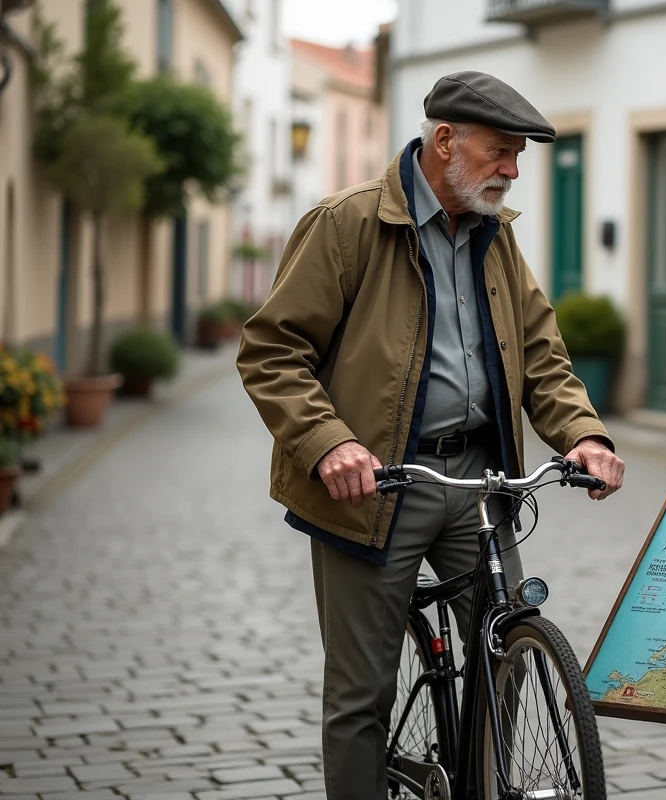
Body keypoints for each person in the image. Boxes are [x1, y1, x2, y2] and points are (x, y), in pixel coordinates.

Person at [236, 70, 625, 800]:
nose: (512, 171)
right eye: (500, 153)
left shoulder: (496, 237)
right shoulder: (347, 224)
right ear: (444, 140)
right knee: (361, 698)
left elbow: (540, 354)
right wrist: (329, 444)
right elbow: (272, 352)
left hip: (479, 481)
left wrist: (583, 435)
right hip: (376, 487)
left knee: (503, 653)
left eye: (518, 157)